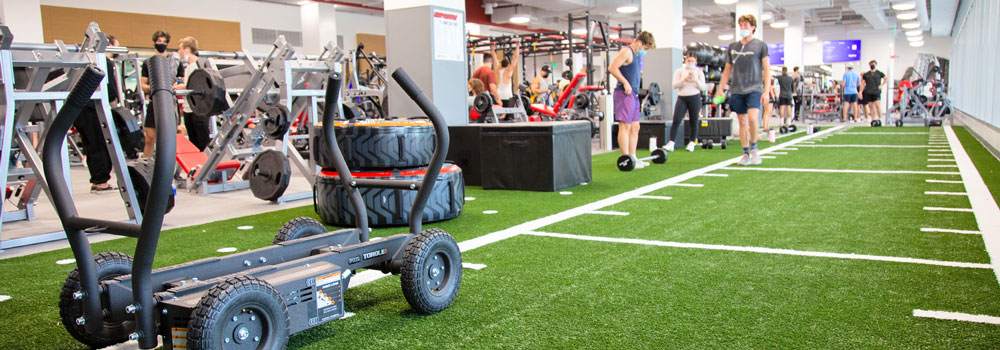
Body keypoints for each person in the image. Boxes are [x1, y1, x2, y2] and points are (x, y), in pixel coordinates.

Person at [715, 14, 770, 166]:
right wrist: (720, 89)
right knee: (742, 121)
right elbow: (727, 70)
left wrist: (767, 91)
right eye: (741, 25)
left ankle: (754, 149)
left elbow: (767, 69)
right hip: (737, 89)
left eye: (746, 25)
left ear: (753, 27)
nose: (743, 28)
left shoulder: (760, 45)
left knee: (752, 118)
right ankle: (745, 153)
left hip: (754, 88)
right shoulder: (733, 47)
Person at [73, 35, 121, 192]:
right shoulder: (104, 62)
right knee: (101, 144)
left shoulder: (86, 61)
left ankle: (97, 181)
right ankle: (101, 182)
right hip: (95, 108)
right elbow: (111, 91)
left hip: (79, 108)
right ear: (108, 46)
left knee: (91, 145)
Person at [609, 30, 655, 167]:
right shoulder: (627, 52)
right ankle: (626, 159)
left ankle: (633, 157)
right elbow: (612, 68)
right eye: (645, 48)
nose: (645, 51)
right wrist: (625, 82)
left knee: (635, 127)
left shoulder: (636, 55)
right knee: (625, 127)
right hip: (623, 94)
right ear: (640, 43)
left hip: (633, 95)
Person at [141, 29, 184, 158]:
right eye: (159, 41)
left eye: (165, 42)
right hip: (155, 103)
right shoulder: (148, 63)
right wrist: (158, 88)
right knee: (150, 138)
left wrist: (174, 87)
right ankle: (145, 168)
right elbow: (143, 86)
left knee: (173, 137)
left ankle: (173, 169)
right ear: (154, 42)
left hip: (170, 103)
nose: (162, 44)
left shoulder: (175, 62)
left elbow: (182, 82)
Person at [175, 36, 212, 151]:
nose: (179, 52)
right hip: (188, 108)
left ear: (187, 49)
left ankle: (207, 164)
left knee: (202, 141)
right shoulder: (189, 66)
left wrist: (177, 87)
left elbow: (193, 85)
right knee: (193, 141)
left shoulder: (197, 65)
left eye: (180, 49)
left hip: (198, 110)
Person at [666, 54, 705, 152]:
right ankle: (671, 143)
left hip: (694, 97)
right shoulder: (679, 71)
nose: (690, 63)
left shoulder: (699, 72)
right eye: (689, 61)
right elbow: (674, 85)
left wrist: (695, 80)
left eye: (692, 61)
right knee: (676, 120)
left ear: (695, 62)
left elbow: (703, 88)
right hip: (682, 97)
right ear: (685, 61)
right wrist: (684, 79)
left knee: (694, 120)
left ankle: (692, 142)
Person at [495, 41, 521, 117]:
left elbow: (494, 58)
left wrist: (492, 49)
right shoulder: (509, 70)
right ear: (508, 64)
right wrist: (517, 47)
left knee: (500, 115)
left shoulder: (497, 70)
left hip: (499, 95)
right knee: (507, 116)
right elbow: (515, 58)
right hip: (507, 95)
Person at [860, 60, 887, 124]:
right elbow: (863, 83)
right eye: (871, 64)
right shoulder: (866, 74)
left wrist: (881, 85)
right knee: (870, 106)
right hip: (868, 92)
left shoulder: (879, 73)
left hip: (876, 91)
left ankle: (880, 119)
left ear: (876, 65)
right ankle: (873, 119)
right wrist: (860, 92)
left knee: (877, 105)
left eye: (873, 64)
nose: (872, 65)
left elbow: (886, 78)